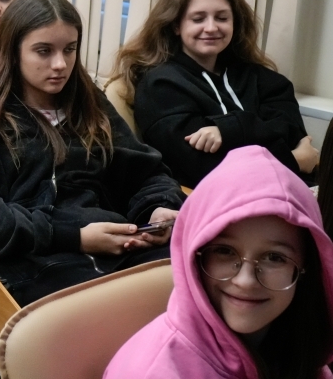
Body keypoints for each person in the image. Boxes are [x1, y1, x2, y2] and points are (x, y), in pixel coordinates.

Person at [0, 0, 186, 306]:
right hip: (33, 261)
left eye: (69, 49)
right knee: (125, 309)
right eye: (43, 51)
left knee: (197, 273)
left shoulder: (87, 98)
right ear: (13, 51)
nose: (60, 64)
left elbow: (146, 172)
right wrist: (73, 236)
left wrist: (157, 207)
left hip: (113, 249)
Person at [105, 146, 333, 378]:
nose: (245, 281)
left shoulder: (298, 346)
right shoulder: (151, 372)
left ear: (305, 266)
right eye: (225, 251)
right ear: (194, 255)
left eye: (275, 257)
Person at [112, 0, 318, 188]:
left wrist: (227, 131)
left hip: (294, 191)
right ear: (176, 25)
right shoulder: (160, 85)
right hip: (219, 199)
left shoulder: (265, 80)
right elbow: (203, 168)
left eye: (222, 18)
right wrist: (294, 160)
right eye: (198, 19)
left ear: (235, 23)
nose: (211, 28)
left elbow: (291, 133)